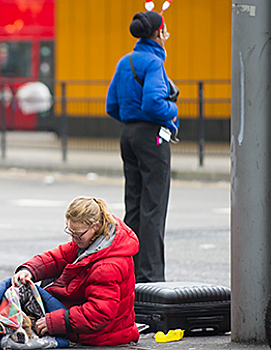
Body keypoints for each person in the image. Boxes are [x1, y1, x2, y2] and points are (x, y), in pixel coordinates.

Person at [105, 10, 178, 283]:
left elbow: (112, 105)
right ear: (159, 33)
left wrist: (131, 119)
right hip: (152, 138)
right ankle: (151, 278)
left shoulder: (125, 62)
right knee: (154, 209)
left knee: (133, 207)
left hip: (129, 135)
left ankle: (129, 274)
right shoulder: (154, 64)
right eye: (165, 30)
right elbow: (154, 104)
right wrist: (173, 110)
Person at [11, 197, 140, 346]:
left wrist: (54, 322)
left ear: (96, 226)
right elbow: (56, 257)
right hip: (90, 324)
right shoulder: (92, 240)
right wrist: (29, 270)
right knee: (27, 287)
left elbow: (99, 314)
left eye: (77, 234)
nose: (73, 238)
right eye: (70, 231)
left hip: (101, 335)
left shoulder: (107, 266)